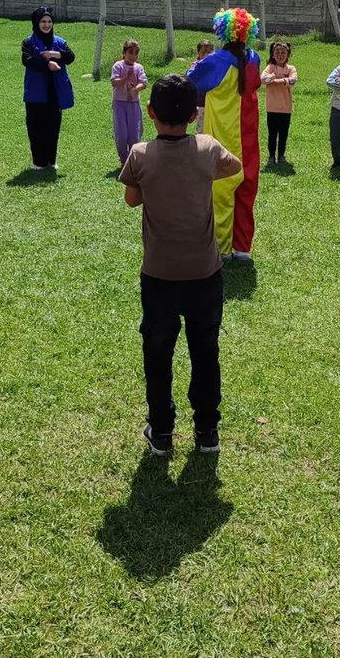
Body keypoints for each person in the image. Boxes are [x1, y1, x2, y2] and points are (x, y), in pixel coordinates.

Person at [119, 75, 242, 455]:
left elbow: (131, 200)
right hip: (205, 273)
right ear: (193, 115)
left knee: (157, 352)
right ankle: (206, 430)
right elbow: (233, 165)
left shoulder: (140, 154)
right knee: (205, 350)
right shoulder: (207, 148)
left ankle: (161, 431)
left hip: (159, 275)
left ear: (151, 112)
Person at [186, 8, 263, 262]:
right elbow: (256, 84)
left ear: (222, 31)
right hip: (249, 136)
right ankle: (242, 247)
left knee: (220, 191)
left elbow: (192, 81)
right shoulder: (254, 59)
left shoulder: (215, 61)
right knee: (246, 189)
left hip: (222, 134)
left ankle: (221, 248)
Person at [21, 6, 75, 170]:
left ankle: (51, 160)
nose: (46, 25)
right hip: (36, 92)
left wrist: (58, 55)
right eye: (43, 21)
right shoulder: (28, 42)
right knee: (36, 127)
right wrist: (46, 64)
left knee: (53, 127)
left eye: (49, 21)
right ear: (36, 23)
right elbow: (27, 60)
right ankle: (39, 162)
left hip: (55, 92)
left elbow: (70, 57)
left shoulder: (59, 42)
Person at [110, 39, 148, 165]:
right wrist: (126, 77)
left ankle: (133, 159)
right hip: (120, 103)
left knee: (134, 132)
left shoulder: (139, 67)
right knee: (122, 133)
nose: (133, 56)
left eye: (136, 53)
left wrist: (135, 89)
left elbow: (144, 82)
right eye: (130, 52)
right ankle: (123, 159)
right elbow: (114, 82)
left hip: (134, 104)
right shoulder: (118, 66)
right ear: (124, 53)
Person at [261, 40, 298, 164]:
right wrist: (278, 79)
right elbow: (263, 79)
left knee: (283, 134)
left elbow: (293, 80)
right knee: (272, 134)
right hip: (272, 108)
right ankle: (271, 156)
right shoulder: (270, 67)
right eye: (277, 52)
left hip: (286, 108)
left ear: (288, 55)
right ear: (272, 54)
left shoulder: (291, 68)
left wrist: (276, 80)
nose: (280, 55)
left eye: (283, 52)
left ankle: (281, 155)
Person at [191, 39, 212, 134]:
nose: (206, 55)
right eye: (203, 52)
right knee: (202, 130)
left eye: (209, 52)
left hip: (213, 103)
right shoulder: (195, 66)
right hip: (200, 103)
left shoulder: (215, 65)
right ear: (198, 53)